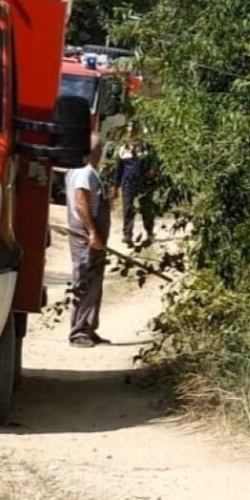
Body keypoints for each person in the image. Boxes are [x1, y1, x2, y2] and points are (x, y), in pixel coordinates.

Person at [66, 134, 112, 348]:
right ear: (96, 151)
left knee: (94, 283)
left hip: (93, 237)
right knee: (85, 281)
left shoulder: (87, 171)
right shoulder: (84, 172)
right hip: (86, 237)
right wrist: (93, 232)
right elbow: (81, 204)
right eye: (100, 148)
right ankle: (79, 331)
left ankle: (89, 327)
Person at [112, 125, 156, 248]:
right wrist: (115, 186)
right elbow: (119, 170)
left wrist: (152, 171)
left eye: (133, 132)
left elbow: (154, 163)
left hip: (144, 183)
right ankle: (127, 235)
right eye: (128, 132)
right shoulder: (122, 150)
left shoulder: (146, 148)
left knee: (146, 208)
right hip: (128, 183)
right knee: (128, 209)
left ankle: (149, 232)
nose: (130, 134)